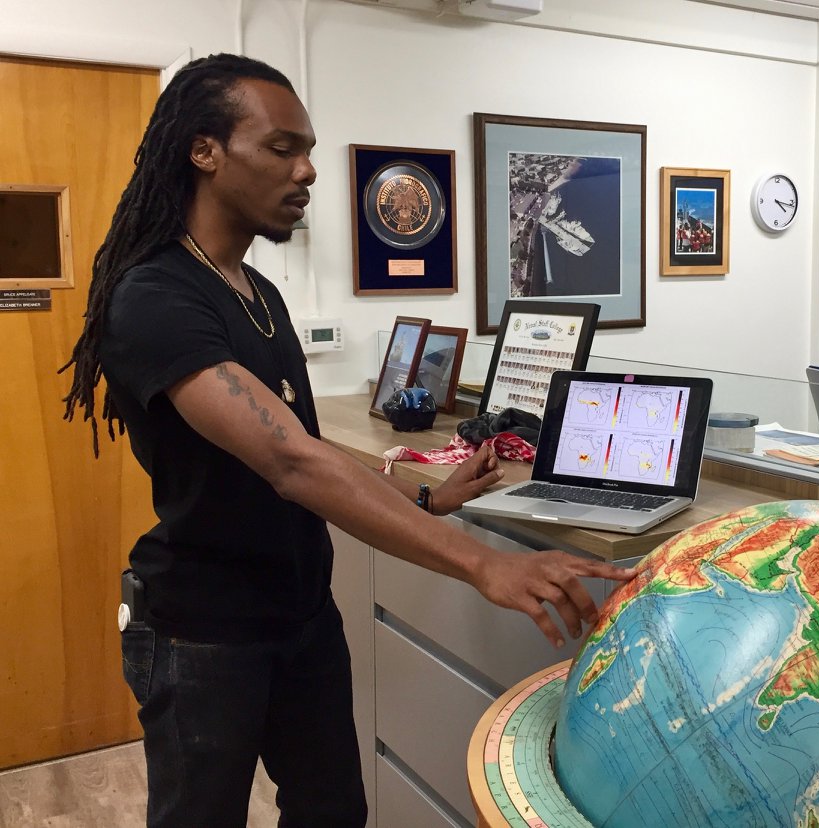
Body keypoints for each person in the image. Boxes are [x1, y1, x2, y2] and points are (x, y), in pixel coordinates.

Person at [59, 53, 632, 828]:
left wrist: (428, 494)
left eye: (310, 152)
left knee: (331, 810)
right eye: (281, 148)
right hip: (203, 632)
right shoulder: (155, 294)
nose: (307, 172)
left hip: (300, 617)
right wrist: (484, 563)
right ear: (204, 150)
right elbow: (289, 460)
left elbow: (299, 444)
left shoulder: (255, 291)